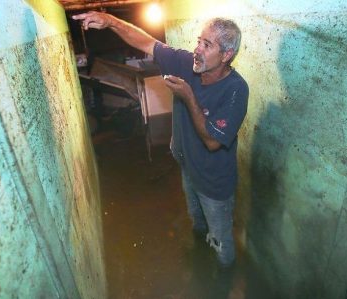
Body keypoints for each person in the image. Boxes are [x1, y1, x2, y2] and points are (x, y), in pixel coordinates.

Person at [72, 11, 248, 268]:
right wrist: (110, 21)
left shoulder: (235, 89)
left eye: (207, 45)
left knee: (220, 239)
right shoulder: (187, 63)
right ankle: (200, 257)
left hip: (214, 183)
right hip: (189, 169)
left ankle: (223, 275)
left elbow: (212, 142)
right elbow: (146, 42)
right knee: (197, 222)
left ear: (226, 55)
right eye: (199, 40)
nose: (197, 50)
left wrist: (188, 96)